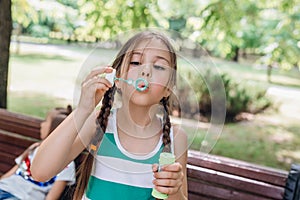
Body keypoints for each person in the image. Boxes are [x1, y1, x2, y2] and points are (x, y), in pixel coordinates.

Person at [31, 30, 188, 200]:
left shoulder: (176, 137)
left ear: (169, 87)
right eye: (136, 62)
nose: (146, 71)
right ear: (118, 78)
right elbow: (40, 172)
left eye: (159, 66)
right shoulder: (98, 122)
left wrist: (174, 189)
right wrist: (84, 109)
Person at [0, 106, 76, 200]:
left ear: (55, 130)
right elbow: (11, 172)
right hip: (4, 188)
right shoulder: (35, 149)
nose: (41, 124)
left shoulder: (66, 164)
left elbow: (51, 197)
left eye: (46, 121)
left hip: (21, 197)